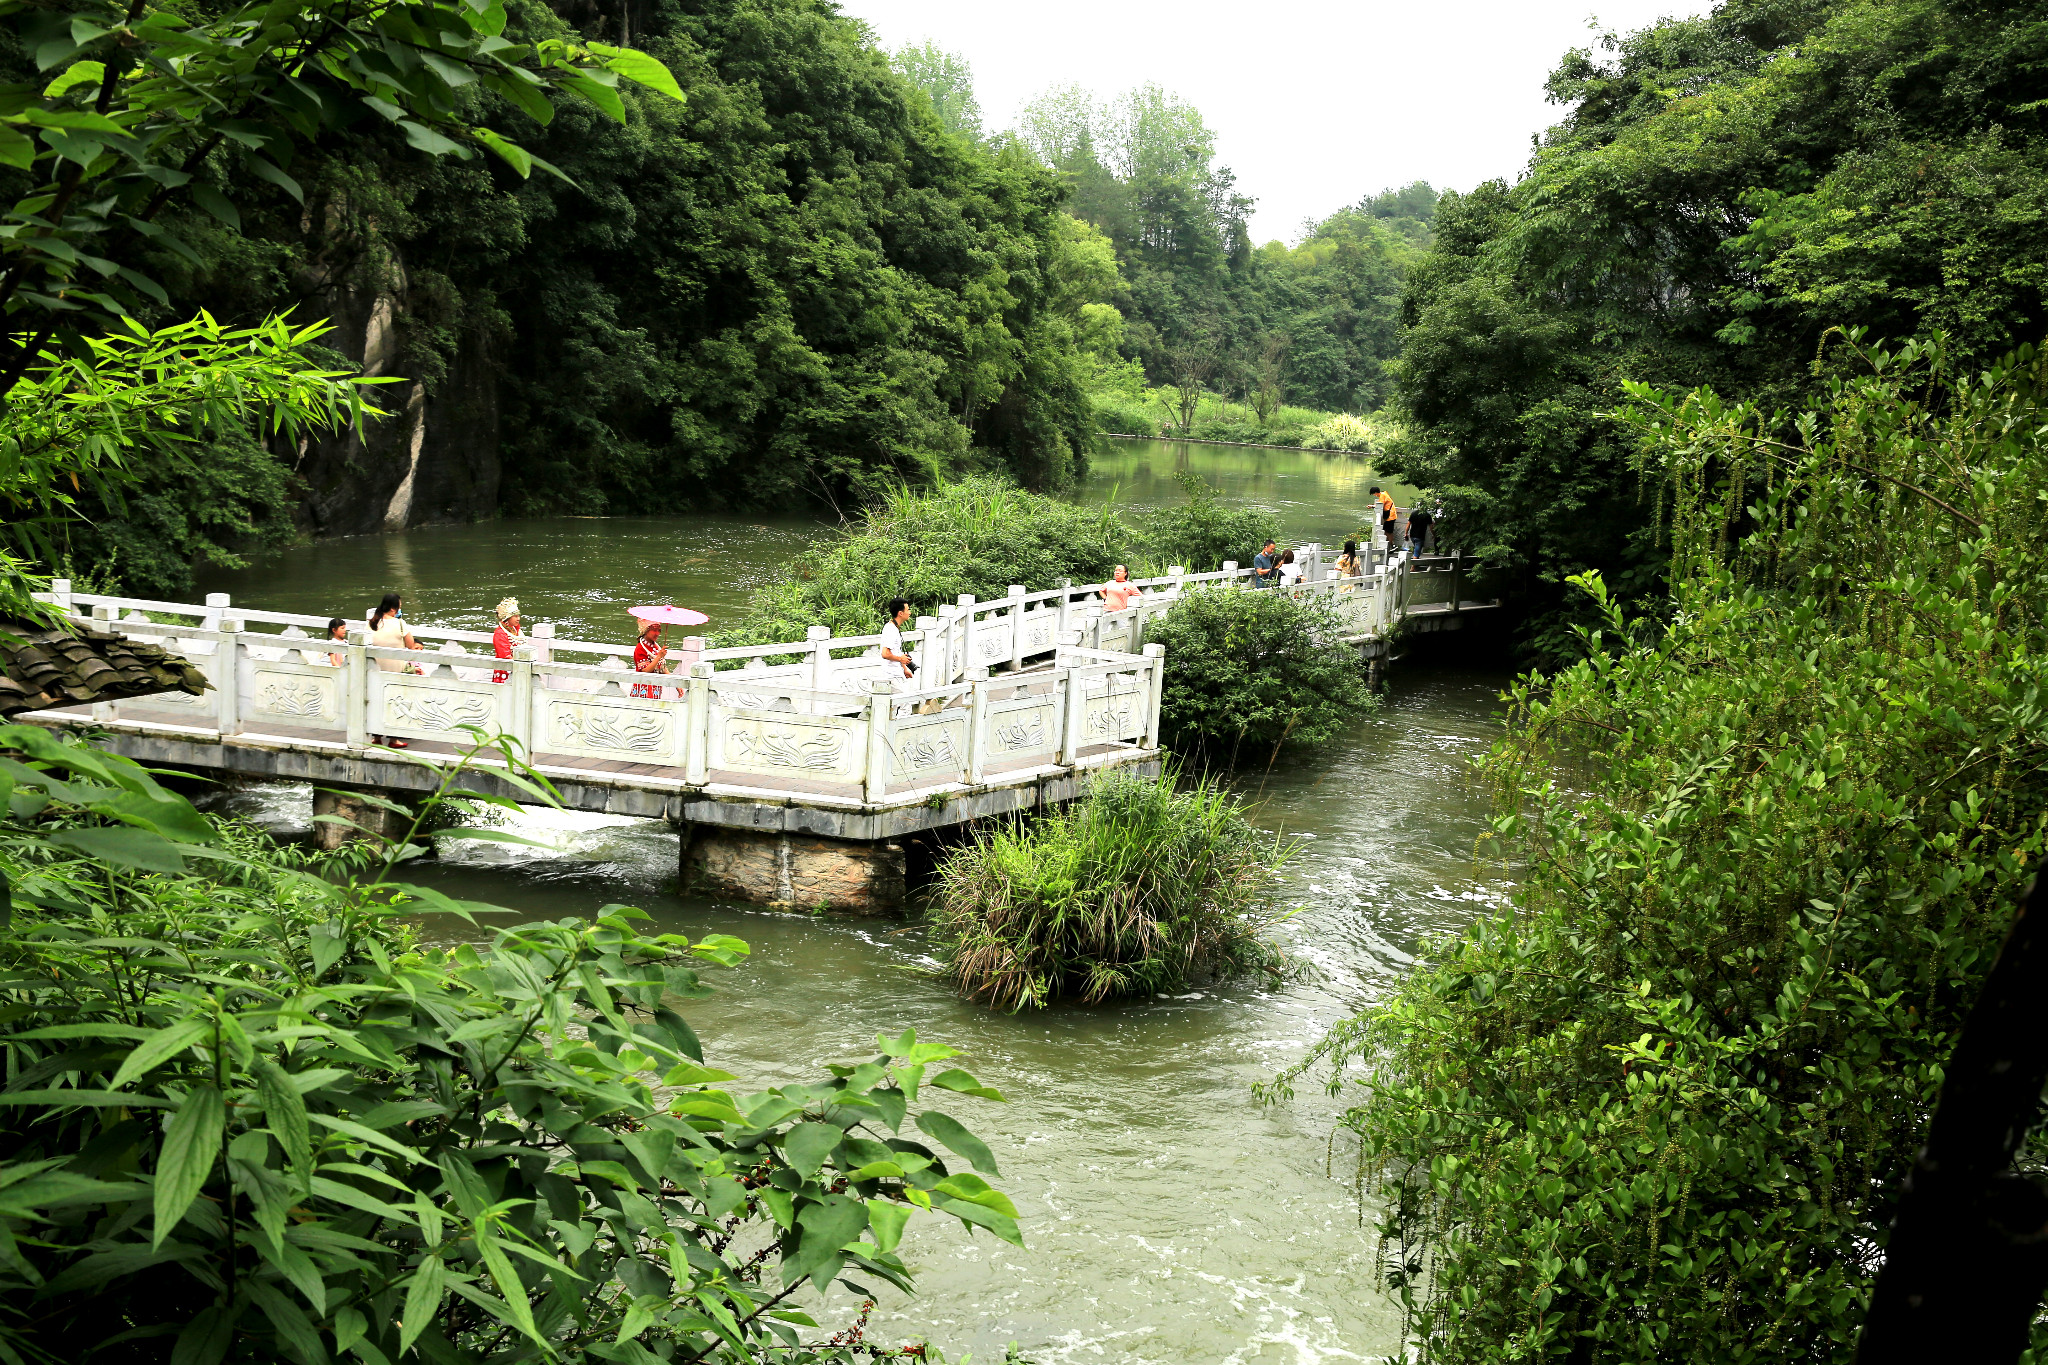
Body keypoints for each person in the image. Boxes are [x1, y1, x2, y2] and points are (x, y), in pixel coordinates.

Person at [367, 593, 422, 748]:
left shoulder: (372, 623)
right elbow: (411, 645)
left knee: (376, 701)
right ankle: (393, 739)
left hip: (375, 668)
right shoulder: (399, 623)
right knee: (395, 701)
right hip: (394, 668)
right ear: (393, 609)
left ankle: (376, 737)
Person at [879, 598, 916, 680]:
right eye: (908, 610)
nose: (909, 612)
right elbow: (885, 653)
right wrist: (900, 659)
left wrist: (905, 669)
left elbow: (895, 652)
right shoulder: (891, 629)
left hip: (896, 674)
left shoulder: (894, 627)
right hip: (892, 676)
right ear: (900, 613)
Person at [630, 616, 667, 698]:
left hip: (655, 687)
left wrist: (677, 685)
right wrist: (659, 656)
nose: (657, 633)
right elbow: (645, 670)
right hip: (644, 688)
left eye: (659, 631)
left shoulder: (656, 646)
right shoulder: (640, 648)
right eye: (654, 630)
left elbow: (662, 667)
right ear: (646, 631)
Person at [492, 598, 521, 684]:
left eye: (519, 616)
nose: (518, 618)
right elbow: (505, 655)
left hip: (518, 667)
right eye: (515, 616)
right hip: (505, 669)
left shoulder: (516, 630)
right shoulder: (500, 633)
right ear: (507, 618)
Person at [1370, 486, 1399, 553]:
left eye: (1374, 494)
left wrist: (1371, 506)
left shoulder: (1382, 495)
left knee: (1388, 531)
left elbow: (1380, 505)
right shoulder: (1384, 494)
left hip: (1391, 516)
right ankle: (1391, 545)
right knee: (1387, 531)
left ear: (1375, 493)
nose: (1375, 495)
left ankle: (1393, 545)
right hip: (1391, 515)